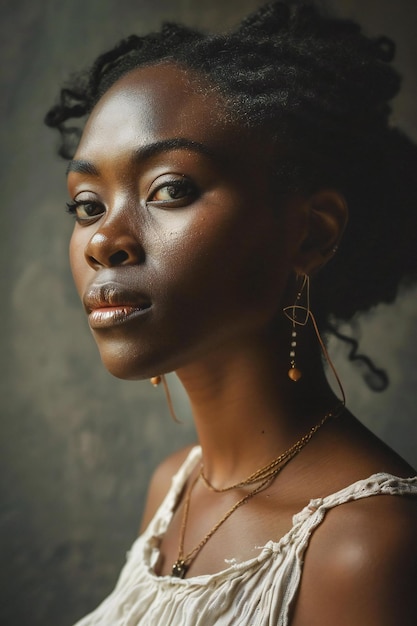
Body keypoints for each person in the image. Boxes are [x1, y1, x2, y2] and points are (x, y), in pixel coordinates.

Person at [45, 1, 417, 624]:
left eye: (169, 189)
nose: (102, 240)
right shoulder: (175, 489)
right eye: (87, 204)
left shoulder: (369, 545)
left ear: (310, 235)